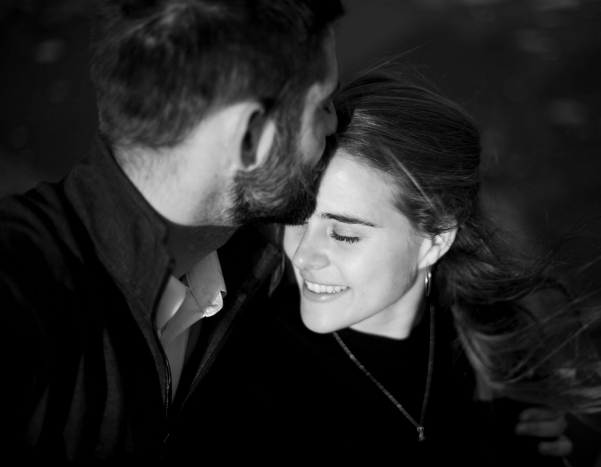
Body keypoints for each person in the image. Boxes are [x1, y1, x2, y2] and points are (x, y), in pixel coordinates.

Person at [165, 73, 601, 463]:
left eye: (344, 234)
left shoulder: (494, 339)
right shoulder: (251, 379)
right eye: (295, 219)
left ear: (435, 238)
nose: (303, 256)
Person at [0, 0, 344, 460]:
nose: (335, 122)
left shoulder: (258, 263)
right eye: (321, 105)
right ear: (250, 139)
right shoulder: (23, 284)